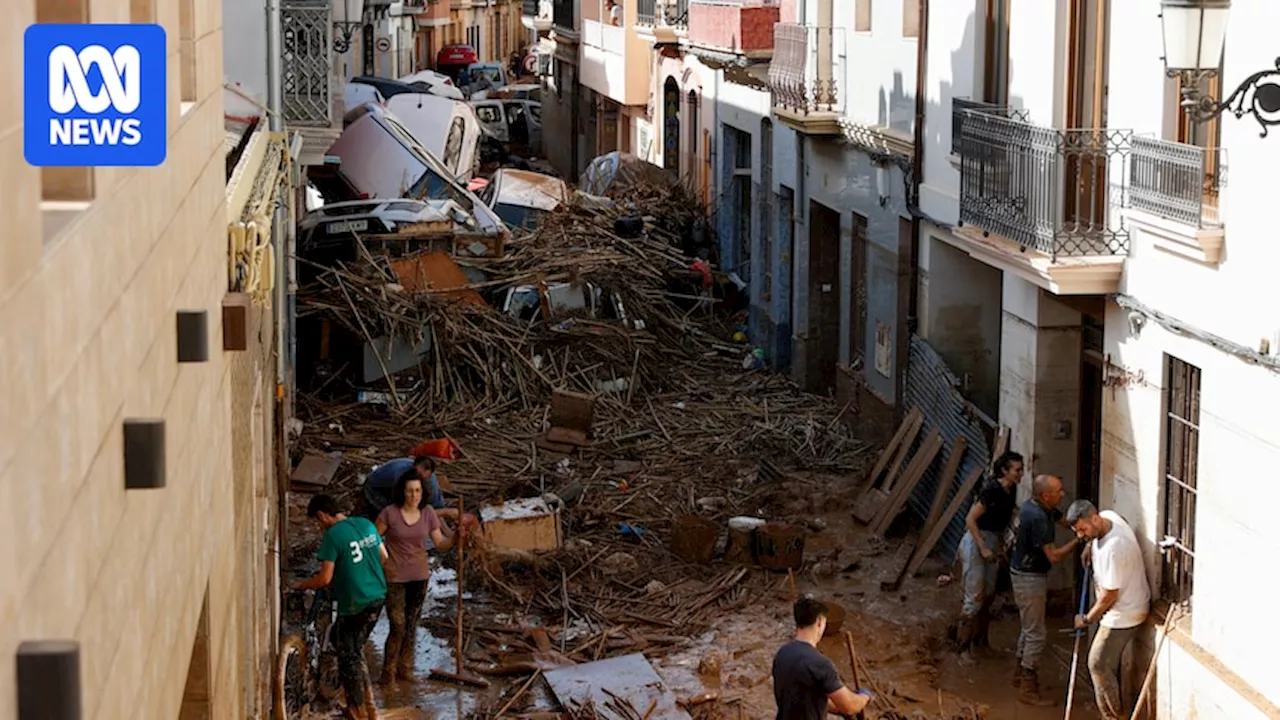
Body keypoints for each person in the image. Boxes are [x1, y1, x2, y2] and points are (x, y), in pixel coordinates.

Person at [293, 494, 388, 720]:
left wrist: (301, 585)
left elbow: (325, 578)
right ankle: (370, 704)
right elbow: (384, 556)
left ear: (322, 516)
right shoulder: (365, 524)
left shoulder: (334, 535)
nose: (318, 527)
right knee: (353, 648)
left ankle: (357, 710)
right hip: (378, 596)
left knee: (348, 656)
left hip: (356, 602)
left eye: (317, 522)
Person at [375, 469, 464, 684]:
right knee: (397, 624)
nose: (413, 496)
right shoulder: (389, 513)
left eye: (417, 491)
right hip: (394, 576)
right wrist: (383, 559)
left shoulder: (428, 514)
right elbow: (374, 538)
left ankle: (405, 669)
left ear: (423, 493)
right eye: (409, 491)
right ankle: (388, 672)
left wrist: (456, 538)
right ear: (402, 492)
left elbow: (440, 544)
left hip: (419, 576)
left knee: (412, 622)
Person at [1067, 500, 1151, 720]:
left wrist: (1086, 619)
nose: (1080, 535)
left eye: (1083, 530)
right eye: (1077, 532)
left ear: (1094, 519)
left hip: (1125, 612)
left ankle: (1114, 716)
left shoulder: (1114, 548)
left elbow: (1108, 596)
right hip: (1121, 604)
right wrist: (1089, 546)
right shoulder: (1108, 517)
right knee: (1102, 664)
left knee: (1098, 664)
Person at [1009, 474, 1080, 706]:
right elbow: (1054, 556)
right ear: (1045, 495)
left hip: (1022, 572)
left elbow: (1062, 520)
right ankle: (1028, 689)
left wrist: (1080, 522)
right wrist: (1078, 540)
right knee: (1037, 634)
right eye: (1058, 491)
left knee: (1028, 627)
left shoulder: (1036, 505)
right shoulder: (1038, 517)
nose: (1062, 494)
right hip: (1030, 577)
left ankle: (1019, 675)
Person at [955, 451, 1023, 663]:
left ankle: (981, 642)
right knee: (974, 597)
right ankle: (962, 649)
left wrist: (1000, 546)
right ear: (1005, 470)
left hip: (993, 540)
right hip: (978, 539)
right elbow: (970, 519)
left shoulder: (1011, 490)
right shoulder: (992, 490)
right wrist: (983, 547)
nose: (1021, 474)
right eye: (1017, 470)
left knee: (989, 595)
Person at [771, 596, 873, 720]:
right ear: (820, 621)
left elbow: (805, 699)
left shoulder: (782, 654)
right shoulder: (820, 664)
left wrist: (839, 707)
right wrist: (864, 696)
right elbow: (850, 706)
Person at [362, 456, 459, 524]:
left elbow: (436, 509)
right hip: (378, 489)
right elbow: (406, 512)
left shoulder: (431, 484)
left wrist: (449, 534)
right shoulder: (398, 476)